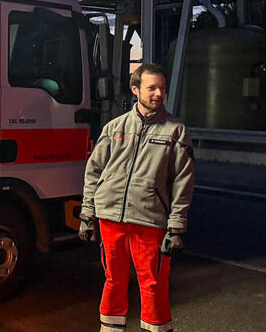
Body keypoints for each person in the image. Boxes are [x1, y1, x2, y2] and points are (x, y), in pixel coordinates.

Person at [79, 63, 195, 332]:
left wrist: (176, 227)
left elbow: (183, 183)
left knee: (153, 284)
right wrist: (87, 214)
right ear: (135, 90)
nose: (158, 94)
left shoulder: (175, 131)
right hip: (110, 218)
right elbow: (93, 173)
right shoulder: (113, 128)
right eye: (151, 88)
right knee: (113, 280)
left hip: (150, 220)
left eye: (162, 88)